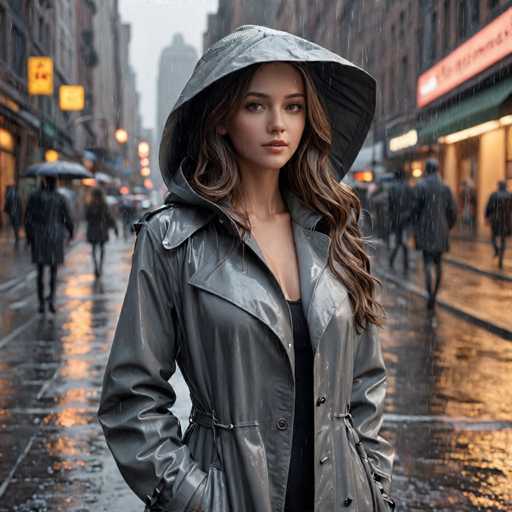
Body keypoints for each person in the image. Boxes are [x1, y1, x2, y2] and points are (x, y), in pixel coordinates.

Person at [98, 25, 395, 512]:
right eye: (256, 105)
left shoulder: (334, 232)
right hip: (230, 496)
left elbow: (366, 384)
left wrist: (375, 486)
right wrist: (198, 501)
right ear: (221, 119)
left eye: (293, 106)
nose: (278, 124)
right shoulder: (172, 240)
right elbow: (131, 401)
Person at [412, 158, 457, 310]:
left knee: (427, 263)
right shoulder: (445, 187)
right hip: (441, 230)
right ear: (437, 169)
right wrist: (447, 226)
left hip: (425, 230)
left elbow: (415, 210)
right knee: (438, 264)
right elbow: (452, 211)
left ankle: (430, 293)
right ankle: (434, 294)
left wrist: (417, 226)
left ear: (427, 169)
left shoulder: (421, 186)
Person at [24, 176, 74, 314]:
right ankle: (51, 299)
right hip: (54, 236)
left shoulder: (35, 197)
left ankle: (41, 302)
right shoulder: (59, 197)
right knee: (53, 271)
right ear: (55, 182)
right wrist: (71, 231)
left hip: (39, 236)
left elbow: (28, 217)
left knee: (40, 272)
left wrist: (29, 236)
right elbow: (67, 217)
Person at [85, 187, 118, 278]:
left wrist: (114, 226)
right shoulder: (99, 205)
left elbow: (107, 216)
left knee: (97, 249)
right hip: (99, 229)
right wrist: (114, 226)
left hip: (97, 229)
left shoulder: (96, 205)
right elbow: (108, 217)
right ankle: (98, 266)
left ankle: (98, 266)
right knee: (97, 249)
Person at [387, 169, 414, 273]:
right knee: (403, 241)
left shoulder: (393, 188)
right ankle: (405, 264)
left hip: (396, 219)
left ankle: (393, 260)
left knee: (399, 241)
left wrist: (391, 218)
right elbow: (412, 203)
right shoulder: (408, 187)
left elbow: (390, 205)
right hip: (406, 219)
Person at [485, 180, 512, 269]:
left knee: (493, 237)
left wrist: (487, 217)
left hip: (496, 220)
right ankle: (500, 259)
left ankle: (496, 250)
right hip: (506, 221)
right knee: (503, 240)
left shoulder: (494, 195)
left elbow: (488, 207)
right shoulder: (510, 195)